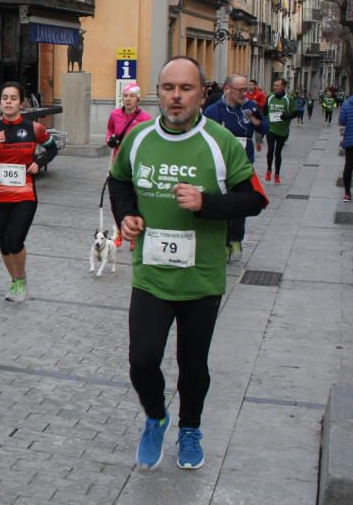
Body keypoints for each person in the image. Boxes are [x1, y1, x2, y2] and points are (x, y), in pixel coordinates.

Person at [108, 56, 268, 471]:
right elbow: (120, 179)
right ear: (157, 92)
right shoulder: (139, 137)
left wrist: (206, 203)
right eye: (167, 88)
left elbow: (254, 199)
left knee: (192, 364)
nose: (176, 97)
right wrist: (125, 214)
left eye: (185, 89)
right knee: (142, 359)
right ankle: (156, 416)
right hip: (151, 274)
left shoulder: (221, 141)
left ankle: (191, 428)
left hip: (201, 278)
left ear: (201, 93)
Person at [0, 81, 58, 302]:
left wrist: (38, 163)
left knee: (14, 241)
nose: (8, 102)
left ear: (21, 103)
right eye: (5, 98)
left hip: (25, 195)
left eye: (13, 98)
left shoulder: (34, 128)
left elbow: (52, 147)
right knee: (3, 243)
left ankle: (21, 278)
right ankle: (16, 282)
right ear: (0, 102)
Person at [203, 74, 268, 262]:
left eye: (246, 89)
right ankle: (223, 242)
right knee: (223, 202)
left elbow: (265, 127)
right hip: (220, 164)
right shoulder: (214, 110)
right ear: (228, 89)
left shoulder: (251, 107)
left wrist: (258, 123)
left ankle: (236, 239)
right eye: (241, 90)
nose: (244, 94)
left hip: (244, 163)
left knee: (240, 203)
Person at [106, 84, 153, 247]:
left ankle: (134, 235)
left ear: (138, 99)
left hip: (137, 164)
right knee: (117, 199)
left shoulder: (145, 119)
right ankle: (119, 231)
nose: (128, 99)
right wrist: (110, 140)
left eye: (132, 96)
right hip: (118, 163)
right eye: (125, 95)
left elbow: (149, 141)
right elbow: (110, 130)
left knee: (135, 199)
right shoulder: (115, 115)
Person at [264, 78, 294, 184]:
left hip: (282, 130)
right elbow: (264, 111)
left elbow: (294, 113)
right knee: (270, 150)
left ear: (283, 87)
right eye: (274, 85)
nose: (275, 87)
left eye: (277, 85)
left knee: (278, 153)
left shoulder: (288, 99)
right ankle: (268, 170)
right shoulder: (269, 97)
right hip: (271, 128)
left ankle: (277, 174)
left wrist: (286, 116)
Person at [245, 79, 267, 152]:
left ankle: (258, 142)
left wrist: (257, 103)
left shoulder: (260, 94)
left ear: (255, 85)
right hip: (247, 115)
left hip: (257, 114)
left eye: (252, 85)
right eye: (249, 84)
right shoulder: (246, 93)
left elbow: (264, 104)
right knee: (247, 128)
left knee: (257, 129)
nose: (250, 86)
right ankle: (247, 141)